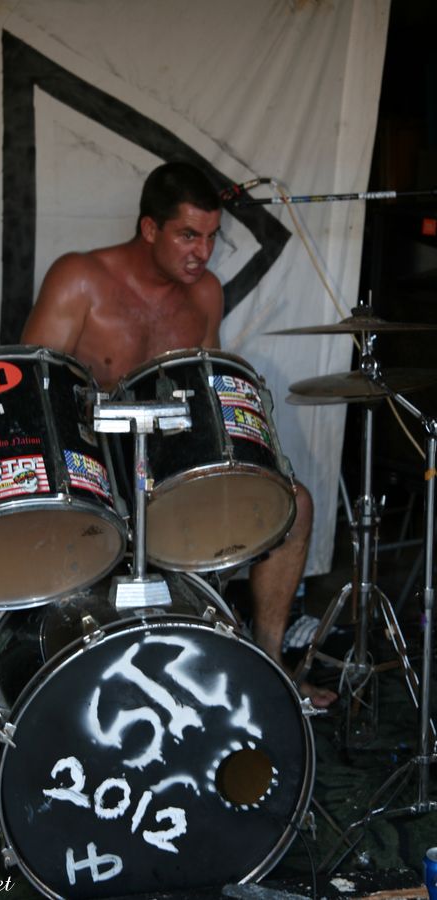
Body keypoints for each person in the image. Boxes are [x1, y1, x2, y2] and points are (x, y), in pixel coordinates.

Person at [21, 161, 336, 708]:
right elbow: (33, 390)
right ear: (150, 228)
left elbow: (208, 393)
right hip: (93, 475)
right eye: (189, 235)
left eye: (212, 237)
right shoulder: (80, 278)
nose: (203, 252)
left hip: (169, 475)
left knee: (296, 504)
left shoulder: (205, 293)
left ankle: (269, 666)